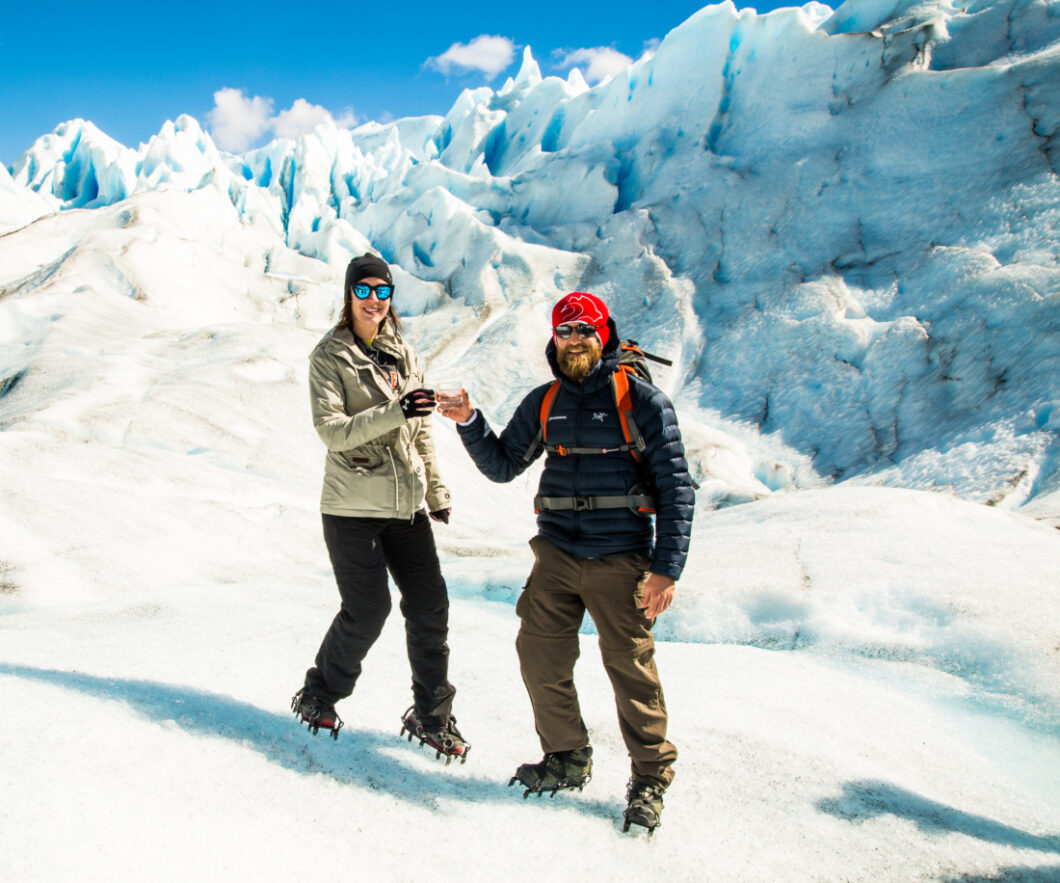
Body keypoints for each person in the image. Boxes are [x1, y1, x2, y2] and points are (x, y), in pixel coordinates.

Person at [439, 291, 694, 831]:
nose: (575, 339)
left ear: (605, 335)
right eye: (566, 330)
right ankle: (567, 757)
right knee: (539, 654)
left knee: (630, 668)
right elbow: (506, 465)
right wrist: (469, 420)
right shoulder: (545, 400)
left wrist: (667, 568)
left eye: (586, 330)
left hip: (620, 557)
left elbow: (676, 487)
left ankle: (650, 777)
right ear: (553, 339)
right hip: (555, 553)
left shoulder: (642, 402)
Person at [291, 252, 469, 764]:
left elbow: (421, 434)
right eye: (363, 290)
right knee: (368, 610)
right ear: (348, 296)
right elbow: (331, 432)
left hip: (405, 506)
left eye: (382, 291)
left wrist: (436, 493)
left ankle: (431, 715)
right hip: (351, 508)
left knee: (430, 606)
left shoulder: (402, 354)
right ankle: (319, 694)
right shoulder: (329, 357)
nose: (373, 300)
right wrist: (394, 409)